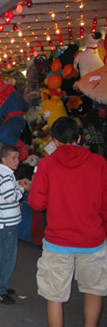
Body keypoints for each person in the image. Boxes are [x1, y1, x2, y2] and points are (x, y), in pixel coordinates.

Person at [28, 117, 107, 327]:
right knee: (94, 290)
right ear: (79, 138)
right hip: (92, 240)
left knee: (55, 295)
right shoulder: (99, 163)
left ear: (54, 140)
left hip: (58, 242)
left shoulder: (46, 164)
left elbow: (36, 203)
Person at [0, 144, 31, 305]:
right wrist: (22, 189)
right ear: (4, 159)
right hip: (6, 224)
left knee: (6, 255)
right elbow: (9, 196)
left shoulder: (5, 173)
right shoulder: (5, 175)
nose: (16, 161)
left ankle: (2, 285)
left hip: (6, 222)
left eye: (17, 157)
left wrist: (18, 183)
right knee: (6, 257)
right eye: (13, 158)